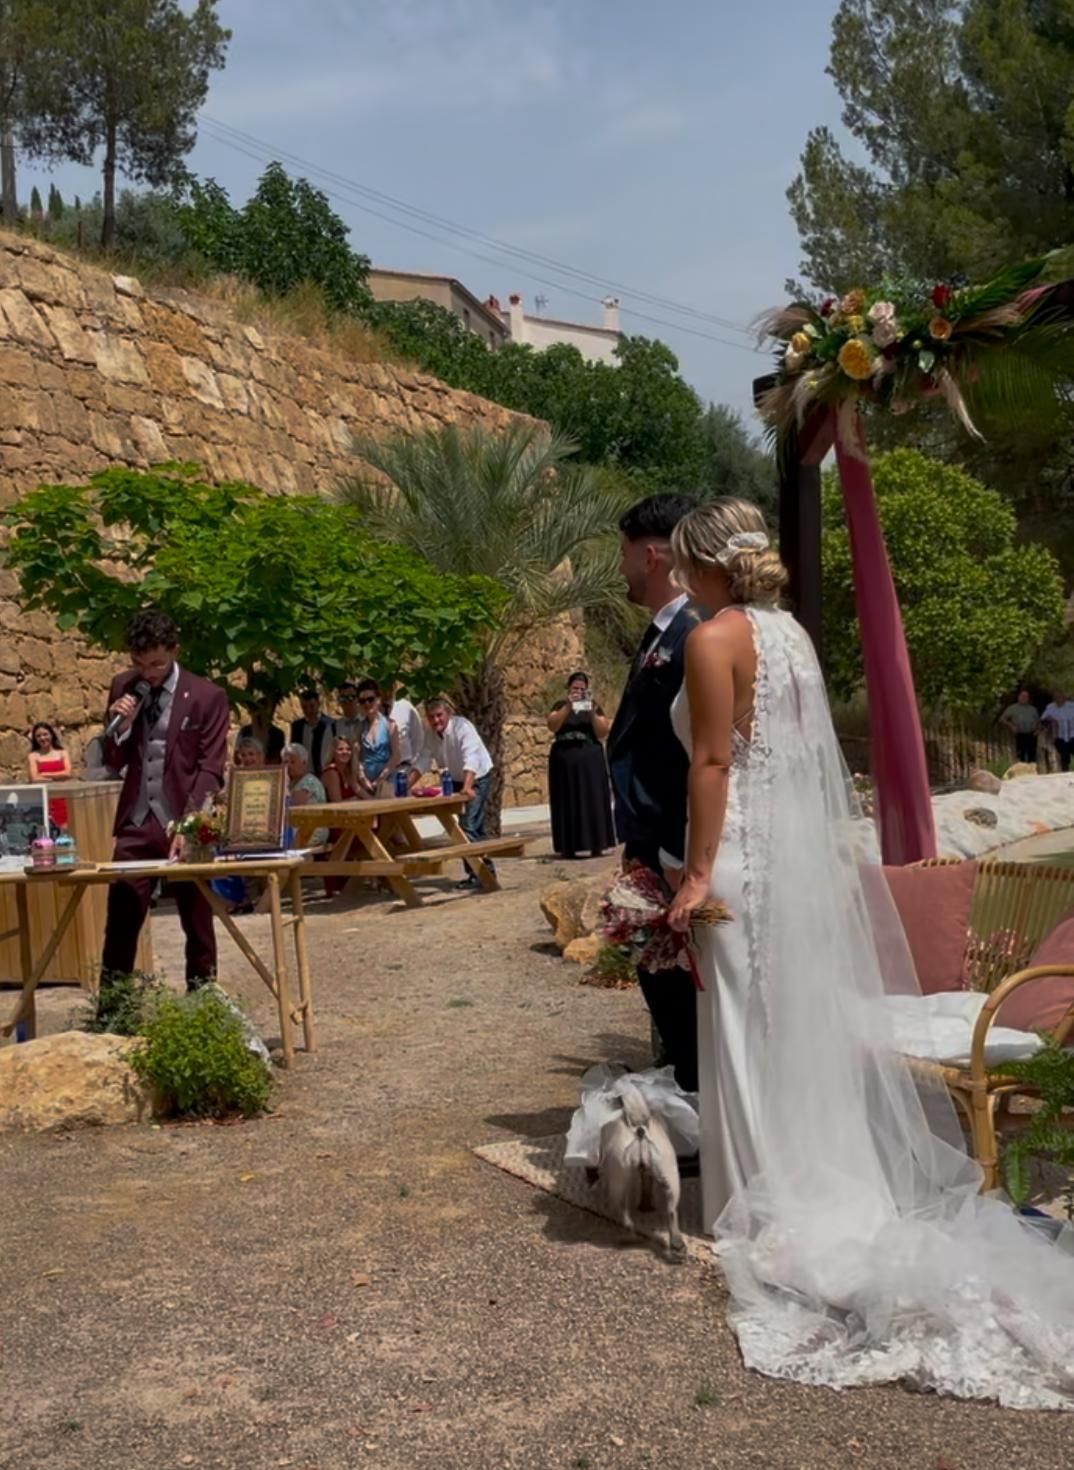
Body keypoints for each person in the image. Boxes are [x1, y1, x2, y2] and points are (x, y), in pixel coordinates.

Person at [662, 497, 1074, 1408]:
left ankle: (753, 1202)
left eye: (680, 564)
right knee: (791, 1026)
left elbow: (714, 764)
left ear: (701, 564)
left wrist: (693, 876)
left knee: (739, 1030)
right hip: (795, 865)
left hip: (736, 860)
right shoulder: (793, 637)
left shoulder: (712, 637)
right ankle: (804, 1182)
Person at [606, 492, 707, 1093]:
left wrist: (674, 853)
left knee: (677, 979)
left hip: (672, 839)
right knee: (660, 974)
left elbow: (695, 752)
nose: (620, 567)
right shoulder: (662, 631)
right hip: (651, 835)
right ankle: (686, 1082)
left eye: (623, 553)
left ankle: (695, 1094)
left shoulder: (692, 633)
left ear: (650, 555)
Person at [100, 609, 229, 990]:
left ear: (175, 650)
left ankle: (203, 1005)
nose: (149, 672)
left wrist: (190, 825)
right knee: (121, 921)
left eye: (156, 663)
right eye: (140, 664)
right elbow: (112, 761)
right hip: (137, 823)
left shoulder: (207, 696)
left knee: (197, 922)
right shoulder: (123, 686)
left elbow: (211, 768)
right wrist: (119, 728)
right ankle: (114, 1016)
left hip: (185, 820)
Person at [423, 697, 495, 890]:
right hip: (455, 779)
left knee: (468, 826)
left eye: (439, 715)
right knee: (470, 828)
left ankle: (480, 875)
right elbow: (422, 759)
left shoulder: (463, 727)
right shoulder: (430, 734)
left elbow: (470, 757)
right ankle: (483, 873)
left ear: (448, 714)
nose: (436, 720)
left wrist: (467, 787)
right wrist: (406, 787)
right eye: (431, 717)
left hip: (477, 777)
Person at [547, 672, 615, 858]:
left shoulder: (593, 707)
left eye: (582, 689)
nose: (578, 692)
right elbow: (552, 725)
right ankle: (568, 846)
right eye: (575, 688)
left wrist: (592, 711)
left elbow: (602, 731)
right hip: (564, 760)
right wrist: (568, 706)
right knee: (566, 800)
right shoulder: (560, 706)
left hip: (589, 759)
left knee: (592, 800)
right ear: (568, 689)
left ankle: (597, 844)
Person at [354, 679, 400, 795]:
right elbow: (356, 756)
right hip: (365, 783)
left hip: (387, 780)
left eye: (370, 699)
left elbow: (396, 756)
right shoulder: (359, 727)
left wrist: (380, 779)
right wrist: (363, 779)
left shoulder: (390, 725)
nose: (367, 704)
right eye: (362, 701)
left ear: (378, 700)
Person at [380, 682, 426, 790]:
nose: (386, 692)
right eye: (382, 687)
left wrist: (411, 770)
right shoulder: (371, 708)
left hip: (402, 771)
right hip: (378, 773)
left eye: (389, 687)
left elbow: (418, 740)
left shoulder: (406, 707)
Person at [27, 722, 72, 830]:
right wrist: (58, 777)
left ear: (51, 735)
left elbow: (68, 773)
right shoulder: (33, 756)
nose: (42, 738)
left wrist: (45, 774)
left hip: (63, 799)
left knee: (66, 831)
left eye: (45, 734)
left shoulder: (62, 753)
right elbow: (34, 778)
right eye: (38, 736)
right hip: (45, 799)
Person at [283, 743, 329, 847]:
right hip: (298, 830)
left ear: (304, 763)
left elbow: (295, 805)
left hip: (312, 831)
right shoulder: (293, 782)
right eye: (285, 762)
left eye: (292, 762)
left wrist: (284, 787)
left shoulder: (309, 781)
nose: (288, 766)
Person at [289, 690, 334, 778]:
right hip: (303, 774)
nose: (308, 710)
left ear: (318, 704)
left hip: (324, 773)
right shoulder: (297, 726)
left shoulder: (330, 725)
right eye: (305, 707)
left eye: (312, 706)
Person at [999, 689, 1041, 766]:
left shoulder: (1032, 709)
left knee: (1032, 755)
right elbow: (1002, 719)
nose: (1024, 698)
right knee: (1021, 755)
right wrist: (1011, 726)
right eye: (1022, 696)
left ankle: (1032, 773)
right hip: (1020, 734)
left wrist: (1037, 730)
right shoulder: (1012, 708)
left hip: (1032, 734)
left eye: (1026, 696)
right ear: (1018, 697)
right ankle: (1022, 772)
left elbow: (1038, 721)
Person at [1042, 690, 1074, 772]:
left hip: (1072, 735)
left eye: (1060, 698)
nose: (1058, 700)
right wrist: (1051, 720)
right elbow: (1043, 719)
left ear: (1064, 698)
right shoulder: (1050, 707)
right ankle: (1065, 773)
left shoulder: (1072, 706)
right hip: (1060, 736)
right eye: (1056, 698)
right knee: (1064, 756)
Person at [333, 683, 364, 747]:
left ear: (358, 699)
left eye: (351, 697)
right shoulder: (333, 727)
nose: (347, 701)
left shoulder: (367, 722)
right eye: (343, 698)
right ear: (339, 701)